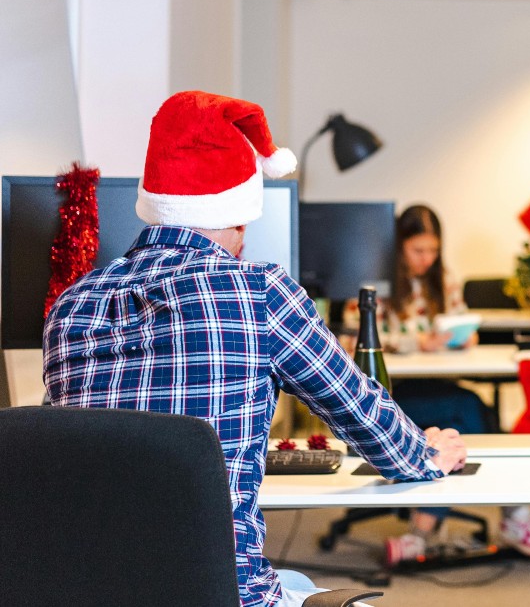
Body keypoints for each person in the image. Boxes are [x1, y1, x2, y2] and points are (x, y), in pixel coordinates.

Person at [41, 91, 468, 607]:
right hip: (222, 594)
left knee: (299, 583)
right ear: (240, 217)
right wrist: (426, 455)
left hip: (81, 592)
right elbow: (360, 412)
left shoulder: (71, 305)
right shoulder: (258, 291)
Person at [384, 204, 530, 561]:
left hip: (439, 385)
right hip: (394, 394)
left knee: (464, 421)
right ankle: (514, 515)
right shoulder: (378, 282)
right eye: (418, 250)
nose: (427, 259)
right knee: (474, 410)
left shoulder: (443, 280)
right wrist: (418, 342)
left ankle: (420, 533)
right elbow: (354, 341)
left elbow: (460, 320)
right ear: (399, 246)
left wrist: (465, 336)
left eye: (433, 250)